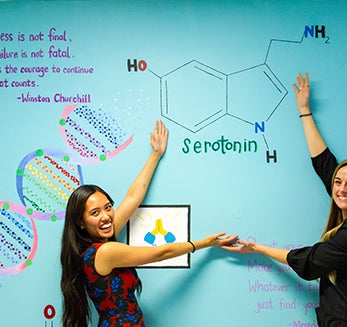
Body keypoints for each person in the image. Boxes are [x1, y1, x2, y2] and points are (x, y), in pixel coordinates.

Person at [223, 73, 347, 326]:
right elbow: (324, 163)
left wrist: (259, 249)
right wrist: (304, 111)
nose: (342, 189)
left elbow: (311, 264)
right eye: (338, 182)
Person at [60, 120, 238, 327]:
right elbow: (161, 253)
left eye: (108, 207)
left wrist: (156, 154)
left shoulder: (99, 242)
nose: (106, 216)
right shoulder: (105, 251)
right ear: (81, 223)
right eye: (95, 212)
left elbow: (133, 197)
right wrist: (204, 243)